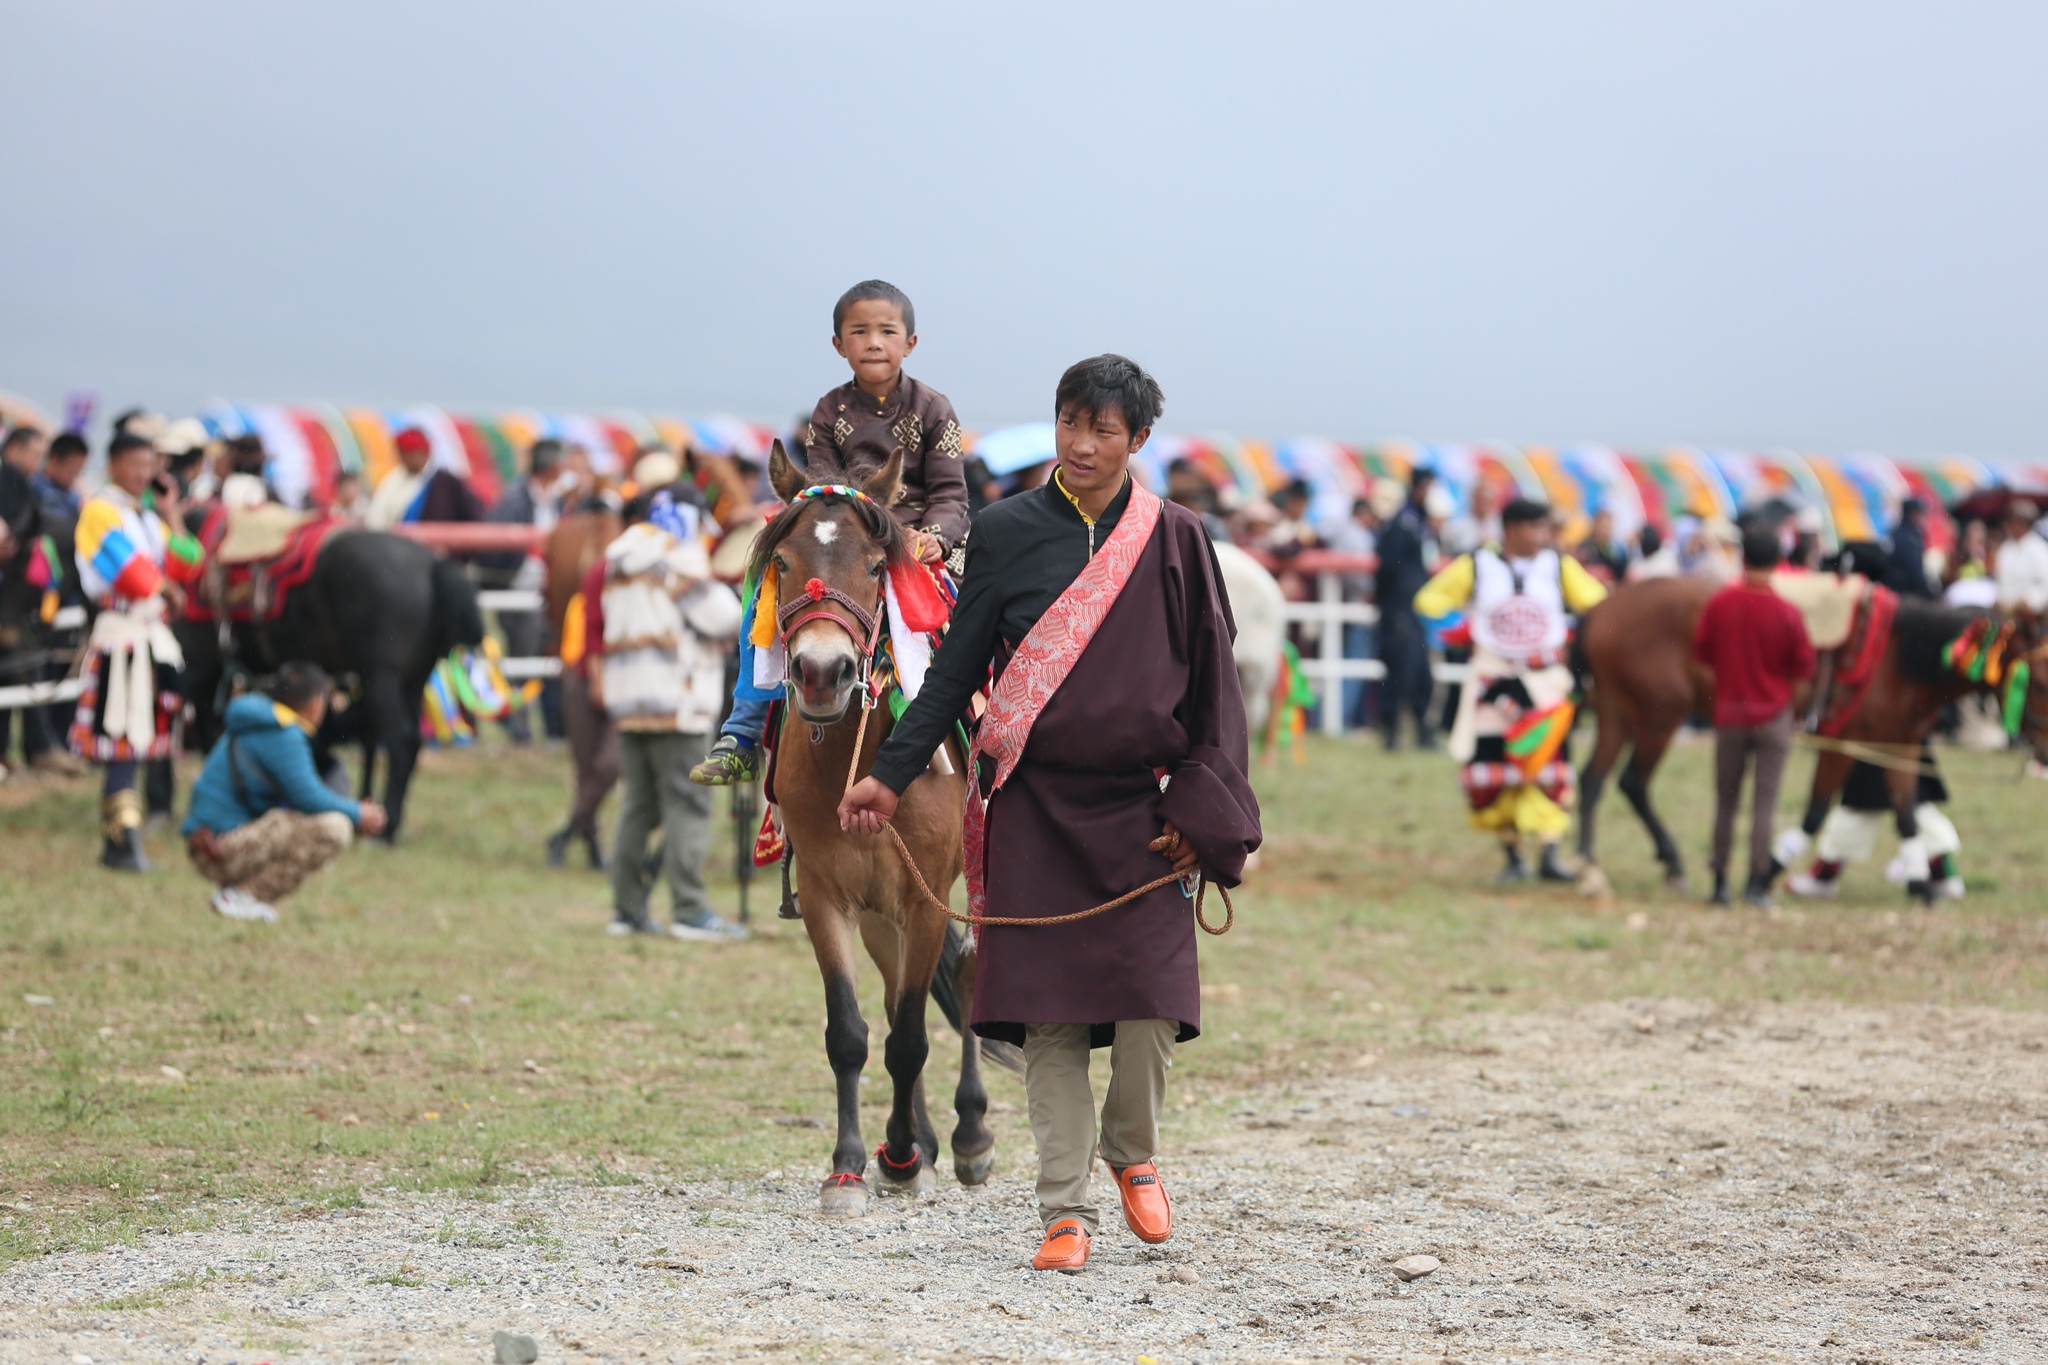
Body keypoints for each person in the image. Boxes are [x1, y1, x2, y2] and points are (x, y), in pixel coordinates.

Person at [839, 354, 1260, 1274]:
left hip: (1145, 814)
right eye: (1070, 422)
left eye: (1102, 429)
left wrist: (1205, 808)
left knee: (1154, 1007)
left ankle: (1131, 1148)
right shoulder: (1005, 528)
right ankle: (1064, 1209)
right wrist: (889, 771)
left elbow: (1213, 690)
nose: (1080, 443)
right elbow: (956, 672)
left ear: (1137, 439)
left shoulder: (1179, 538)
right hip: (1032, 803)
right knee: (1053, 1022)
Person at [692, 279, 969, 787]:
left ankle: (986, 747)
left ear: (910, 343)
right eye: (859, 331)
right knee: (762, 602)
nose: (873, 341)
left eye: (887, 331)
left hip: (918, 548)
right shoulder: (829, 409)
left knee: (975, 626)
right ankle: (742, 735)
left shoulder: (935, 409)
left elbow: (952, 495)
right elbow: (824, 489)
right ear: (839, 344)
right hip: (845, 540)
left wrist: (933, 537)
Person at [1414, 498, 1607, 882]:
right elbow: (1429, 601)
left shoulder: (1558, 566)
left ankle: (1550, 851)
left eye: (1545, 529)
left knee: (1549, 768)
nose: (1542, 537)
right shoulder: (1475, 565)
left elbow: (1596, 602)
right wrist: (1463, 629)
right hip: (1493, 679)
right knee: (1496, 769)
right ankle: (1513, 854)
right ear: (1511, 528)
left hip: (1545, 681)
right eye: (1535, 528)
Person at [589, 484, 747, 939]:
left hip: (629, 698)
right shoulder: (678, 556)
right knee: (689, 801)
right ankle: (690, 909)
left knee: (638, 805)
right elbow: (721, 617)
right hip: (677, 698)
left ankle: (627, 910)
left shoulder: (620, 556)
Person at [68, 433, 203, 870]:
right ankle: (121, 837)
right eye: (135, 464)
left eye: (150, 465)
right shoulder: (100, 511)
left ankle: (124, 837)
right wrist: (166, 587)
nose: (144, 473)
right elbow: (127, 570)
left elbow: (188, 560)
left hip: (146, 633)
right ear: (114, 465)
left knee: (140, 736)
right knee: (123, 733)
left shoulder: (145, 516)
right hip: (122, 633)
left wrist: (172, 514)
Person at [182, 662, 388, 922]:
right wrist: (358, 813)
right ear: (314, 702)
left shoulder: (260, 720)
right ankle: (242, 896)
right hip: (220, 850)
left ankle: (236, 894)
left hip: (207, 844)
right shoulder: (283, 733)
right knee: (334, 828)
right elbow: (309, 798)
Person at [1691, 525, 1815, 907]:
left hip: (1730, 713)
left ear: (1743, 559)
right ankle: (1757, 884)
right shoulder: (1787, 612)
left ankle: (1719, 881)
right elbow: (1803, 672)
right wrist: (1791, 712)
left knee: (1725, 801)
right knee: (1765, 803)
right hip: (1773, 715)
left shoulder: (1720, 604)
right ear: (1778, 561)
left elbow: (1702, 658)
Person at [484, 438, 576, 744]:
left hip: (546, 594)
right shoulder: (515, 500)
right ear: (552, 467)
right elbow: (496, 547)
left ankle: (552, 729)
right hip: (519, 592)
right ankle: (518, 727)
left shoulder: (553, 500)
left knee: (547, 658)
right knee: (521, 660)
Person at [1787, 742, 1963, 902]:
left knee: (1871, 806)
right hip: (1891, 735)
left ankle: (1824, 875)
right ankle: (1944, 874)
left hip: (1888, 734)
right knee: (1909, 806)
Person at [1373, 469, 1440, 750]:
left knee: (1419, 673)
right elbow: (1388, 567)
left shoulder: (1416, 521)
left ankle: (1421, 732)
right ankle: (1393, 734)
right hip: (1401, 607)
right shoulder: (1404, 523)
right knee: (1401, 672)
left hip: (1412, 608)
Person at [365, 427, 485, 528]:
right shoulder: (393, 480)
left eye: (409, 454)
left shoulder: (445, 482)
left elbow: (474, 516)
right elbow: (376, 519)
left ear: (423, 453)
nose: (402, 458)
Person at [1993, 499, 2048, 612]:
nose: (2012, 526)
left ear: (2026, 524)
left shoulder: (2039, 549)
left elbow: (2045, 585)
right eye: (2011, 522)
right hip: (2005, 612)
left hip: (2031, 616)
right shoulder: (2004, 549)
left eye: (2017, 522)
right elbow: (2000, 582)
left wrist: (2029, 600)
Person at [1885, 497, 1934, 598]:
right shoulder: (1911, 538)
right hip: (1904, 593)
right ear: (1912, 514)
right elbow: (1914, 570)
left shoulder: (1895, 532)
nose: (1923, 517)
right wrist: (1929, 593)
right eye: (1921, 513)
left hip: (1892, 590)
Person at [1575, 508, 1630, 585]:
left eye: (1608, 526)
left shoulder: (1617, 550)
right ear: (1595, 525)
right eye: (1603, 525)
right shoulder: (1584, 548)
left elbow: (1622, 574)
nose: (1606, 530)